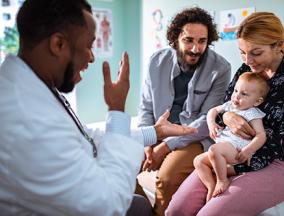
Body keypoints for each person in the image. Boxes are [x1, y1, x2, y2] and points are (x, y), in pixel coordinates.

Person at [0, 0, 198, 215]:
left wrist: (155, 132)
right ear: (58, 44)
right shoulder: (29, 118)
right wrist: (117, 109)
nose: (92, 57)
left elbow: (85, 137)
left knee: (139, 203)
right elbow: (108, 205)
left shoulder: (31, 86)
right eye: (89, 45)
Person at [166, 11, 284, 216]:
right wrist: (227, 117)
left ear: (279, 45)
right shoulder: (246, 69)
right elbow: (225, 108)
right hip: (229, 152)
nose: (248, 60)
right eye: (242, 52)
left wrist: (235, 168)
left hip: (276, 162)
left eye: (256, 53)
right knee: (177, 210)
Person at [136, 7, 231, 215]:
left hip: (195, 138)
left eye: (202, 41)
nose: (196, 48)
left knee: (167, 178)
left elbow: (208, 119)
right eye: (189, 40)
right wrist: (147, 140)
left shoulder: (221, 69)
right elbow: (145, 106)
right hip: (159, 131)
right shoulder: (156, 61)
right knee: (123, 165)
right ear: (176, 37)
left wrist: (166, 146)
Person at [193, 72, 269, 202]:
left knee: (213, 150)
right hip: (224, 148)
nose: (236, 96)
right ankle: (210, 186)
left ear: (257, 101)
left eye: (244, 94)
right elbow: (213, 111)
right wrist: (211, 123)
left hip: (237, 150)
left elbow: (261, 135)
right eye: (235, 90)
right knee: (198, 161)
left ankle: (222, 180)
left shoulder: (253, 113)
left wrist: (249, 150)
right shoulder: (230, 105)